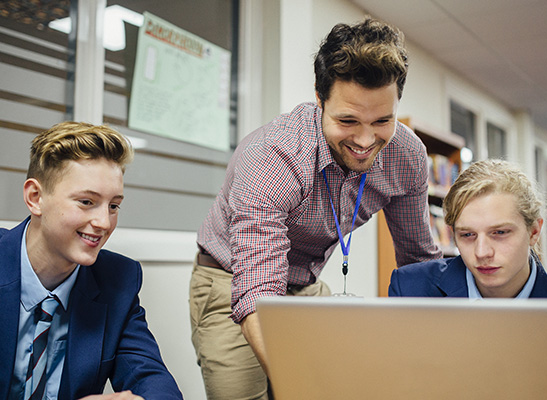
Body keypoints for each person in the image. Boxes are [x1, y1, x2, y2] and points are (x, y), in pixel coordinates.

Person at [190, 18, 442, 399]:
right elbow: (258, 290)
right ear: (319, 98)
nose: (365, 139)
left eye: (382, 121)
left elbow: (419, 262)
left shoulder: (406, 155)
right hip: (232, 282)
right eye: (347, 120)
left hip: (305, 286)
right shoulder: (273, 156)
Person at [0, 122, 183, 400]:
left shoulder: (118, 279)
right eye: (86, 202)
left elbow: (152, 380)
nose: (103, 223)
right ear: (35, 198)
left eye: (113, 206)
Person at [389, 159, 547, 397]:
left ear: (534, 232)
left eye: (499, 233)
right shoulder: (410, 288)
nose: (482, 252)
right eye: (467, 235)